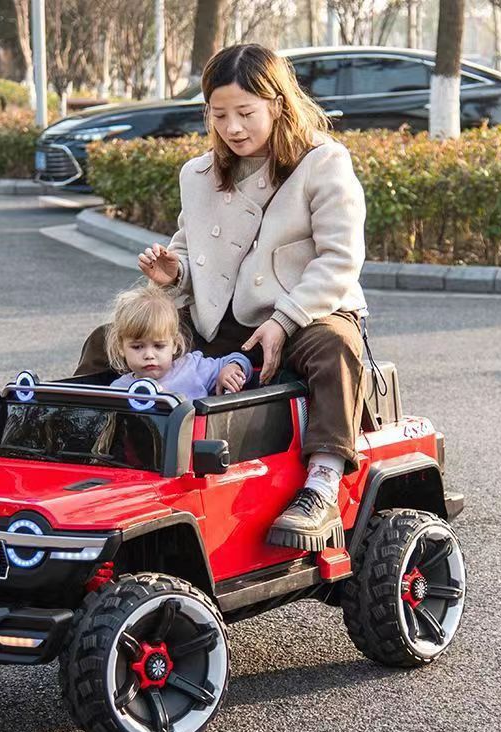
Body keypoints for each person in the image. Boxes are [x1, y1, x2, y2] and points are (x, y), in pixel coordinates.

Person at [75, 43, 368, 553]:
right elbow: (188, 252)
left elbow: (340, 260)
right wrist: (173, 272)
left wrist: (284, 320)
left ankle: (322, 481)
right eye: (220, 114)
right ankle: (83, 445)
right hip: (217, 320)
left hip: (305, 312)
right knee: (110, 341)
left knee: (335, 349)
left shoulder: (324, 163)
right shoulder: (198, 173)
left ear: (278, 104)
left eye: (246, 113)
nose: (233, 128)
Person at [106, 285, 253, 401]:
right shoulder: (118, 390)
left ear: (175, 344)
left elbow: (240, 360)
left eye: (159, 346)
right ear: (121, 347)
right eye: (137, 347)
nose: (149, 355)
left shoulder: (193, 368)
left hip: (194, 438)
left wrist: (231, 370)